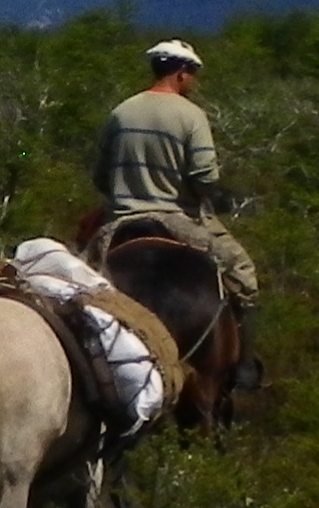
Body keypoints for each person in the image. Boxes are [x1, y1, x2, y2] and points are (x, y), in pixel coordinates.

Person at [90, 36, 261, 310]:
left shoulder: (120, 113)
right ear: (181, 74)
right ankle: (243, 351)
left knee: (78, 276)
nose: (193, 81)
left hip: (119, 219)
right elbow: (205, 179)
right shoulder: (192, 115)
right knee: (242, 273)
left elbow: (100, 177)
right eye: (192, 74)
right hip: (176, 219)